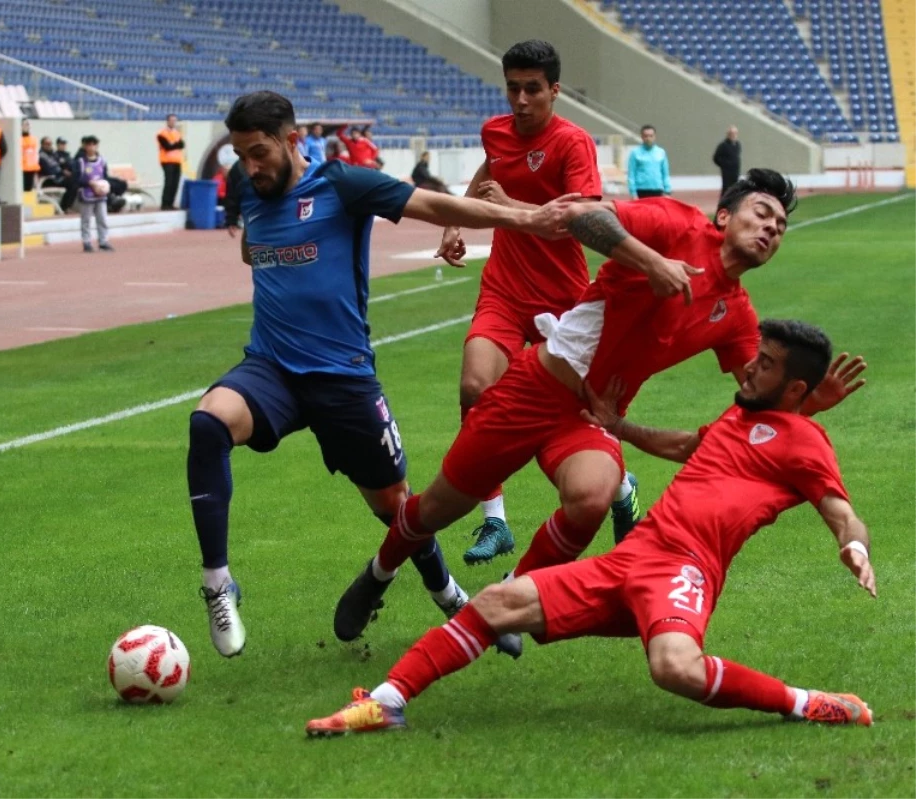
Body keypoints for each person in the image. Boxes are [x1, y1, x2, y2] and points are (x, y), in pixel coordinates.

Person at [333, 169, 866, 651]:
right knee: (433, 512)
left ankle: (502, 603)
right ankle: (378, 574)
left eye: (780, 225)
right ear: (724, 215)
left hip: (591, 416)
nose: (772, 227)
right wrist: (649, 261)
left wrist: (806, 403)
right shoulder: (676, 223)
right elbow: (581, 215)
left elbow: (759, 396)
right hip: (534, 386)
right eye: (761, 213)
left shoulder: (737, 314)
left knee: (592, 497)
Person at [308, 319, 875, 736]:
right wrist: (618, 425)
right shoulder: (740, 416)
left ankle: (806, 703)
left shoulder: (806, 441)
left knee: (674, 667)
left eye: (767, 364)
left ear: (795, 388)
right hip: (630, 559)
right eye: (757, 355)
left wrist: (852, 544)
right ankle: (386, 701)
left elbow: (839, 508)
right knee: (496, 603)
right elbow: (685, 445)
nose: (750, 365)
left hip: (684, 569)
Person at [188, 90, 578, 658]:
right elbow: (254, 247)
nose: (249, 168)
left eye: (259, 153)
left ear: (293, 141)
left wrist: (525, 217)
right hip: (270, 368)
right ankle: (218, 584)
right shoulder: (252, 190)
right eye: (241, 156)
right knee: (207, 424)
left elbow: (437, 207)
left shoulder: (344, 183)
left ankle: (447, 593)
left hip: (343, 378)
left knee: (397, 507)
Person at [435, 40, 632, 565]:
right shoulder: (495, 131)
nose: (521, 100)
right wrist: (457, 219)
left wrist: (516, 208)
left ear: (554, 91)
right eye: (513, 88)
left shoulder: (573, 142)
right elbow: (487, 176)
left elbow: (587, 219)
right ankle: (494, 521)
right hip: (503, 287)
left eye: (532, 89)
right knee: (476, 387)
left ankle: (621, 486)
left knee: (580, 410)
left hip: (564, 297)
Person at [75, 135, 111, 253]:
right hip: (87, 194)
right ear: (84, 146)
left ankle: (103, 241)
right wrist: (90, 183)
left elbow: (105, 176)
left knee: (102, 218)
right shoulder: (80, 161)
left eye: (93, 144)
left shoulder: (102, 161)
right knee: (86, 219)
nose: (91, 147)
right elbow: (77, 178)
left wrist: (104, 186)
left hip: (100, 195)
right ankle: (86, 242)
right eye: (88, 144)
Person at [627, 124, 671, 199]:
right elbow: (631, 174)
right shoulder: (635, 153)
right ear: (642, 137)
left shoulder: (661, 152)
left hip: (657, 190)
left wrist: (667, 191)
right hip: (640, 191)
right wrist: (633, 193)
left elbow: (665, 174)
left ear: (655, 137)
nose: (648, 138)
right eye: (646, 136)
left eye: (651, 136)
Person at [157, 113, 184, 210]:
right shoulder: (162, 133)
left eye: (174, 120)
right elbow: (167, 146)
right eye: (171, 120)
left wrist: (174, 144)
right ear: (167, 121)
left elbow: (182, 145)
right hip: (167, 161)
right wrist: (174, 145)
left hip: (177, 161)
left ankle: (171, 203)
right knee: (168, 182)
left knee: (175, 183)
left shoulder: (177, 133)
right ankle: (165, 203)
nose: (173, 122)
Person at [713, 125, 742, 197]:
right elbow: (716, 158)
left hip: (735, 172)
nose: (734, 135)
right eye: (732, 134)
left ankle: (732, 205)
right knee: (726, 189)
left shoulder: (738, 144)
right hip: (727, 173)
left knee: (735, 189)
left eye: (735, 133)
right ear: (728, 134)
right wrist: (724, 165)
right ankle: (723, 205)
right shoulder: (723, 145)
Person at [52, 137, 77, 210]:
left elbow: (73, 166)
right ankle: (65, 206)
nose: (63, 146)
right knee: (72, 184)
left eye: (64, 144)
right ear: (57, 145)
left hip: (70, 177)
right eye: (61, 144)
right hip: (59, 178)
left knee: (76, 183)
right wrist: (63, 171)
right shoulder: (55, 155)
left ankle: (68, 206)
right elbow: (55, 167)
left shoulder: (68, 156)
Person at [20, 119, 38, 192]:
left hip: (31, 167)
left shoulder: (33, 139)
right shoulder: (18, 139)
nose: (26, 126)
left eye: (27, 124)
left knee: (29, 189)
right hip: (21, 168)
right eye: (24, 124)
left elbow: (36, 154)